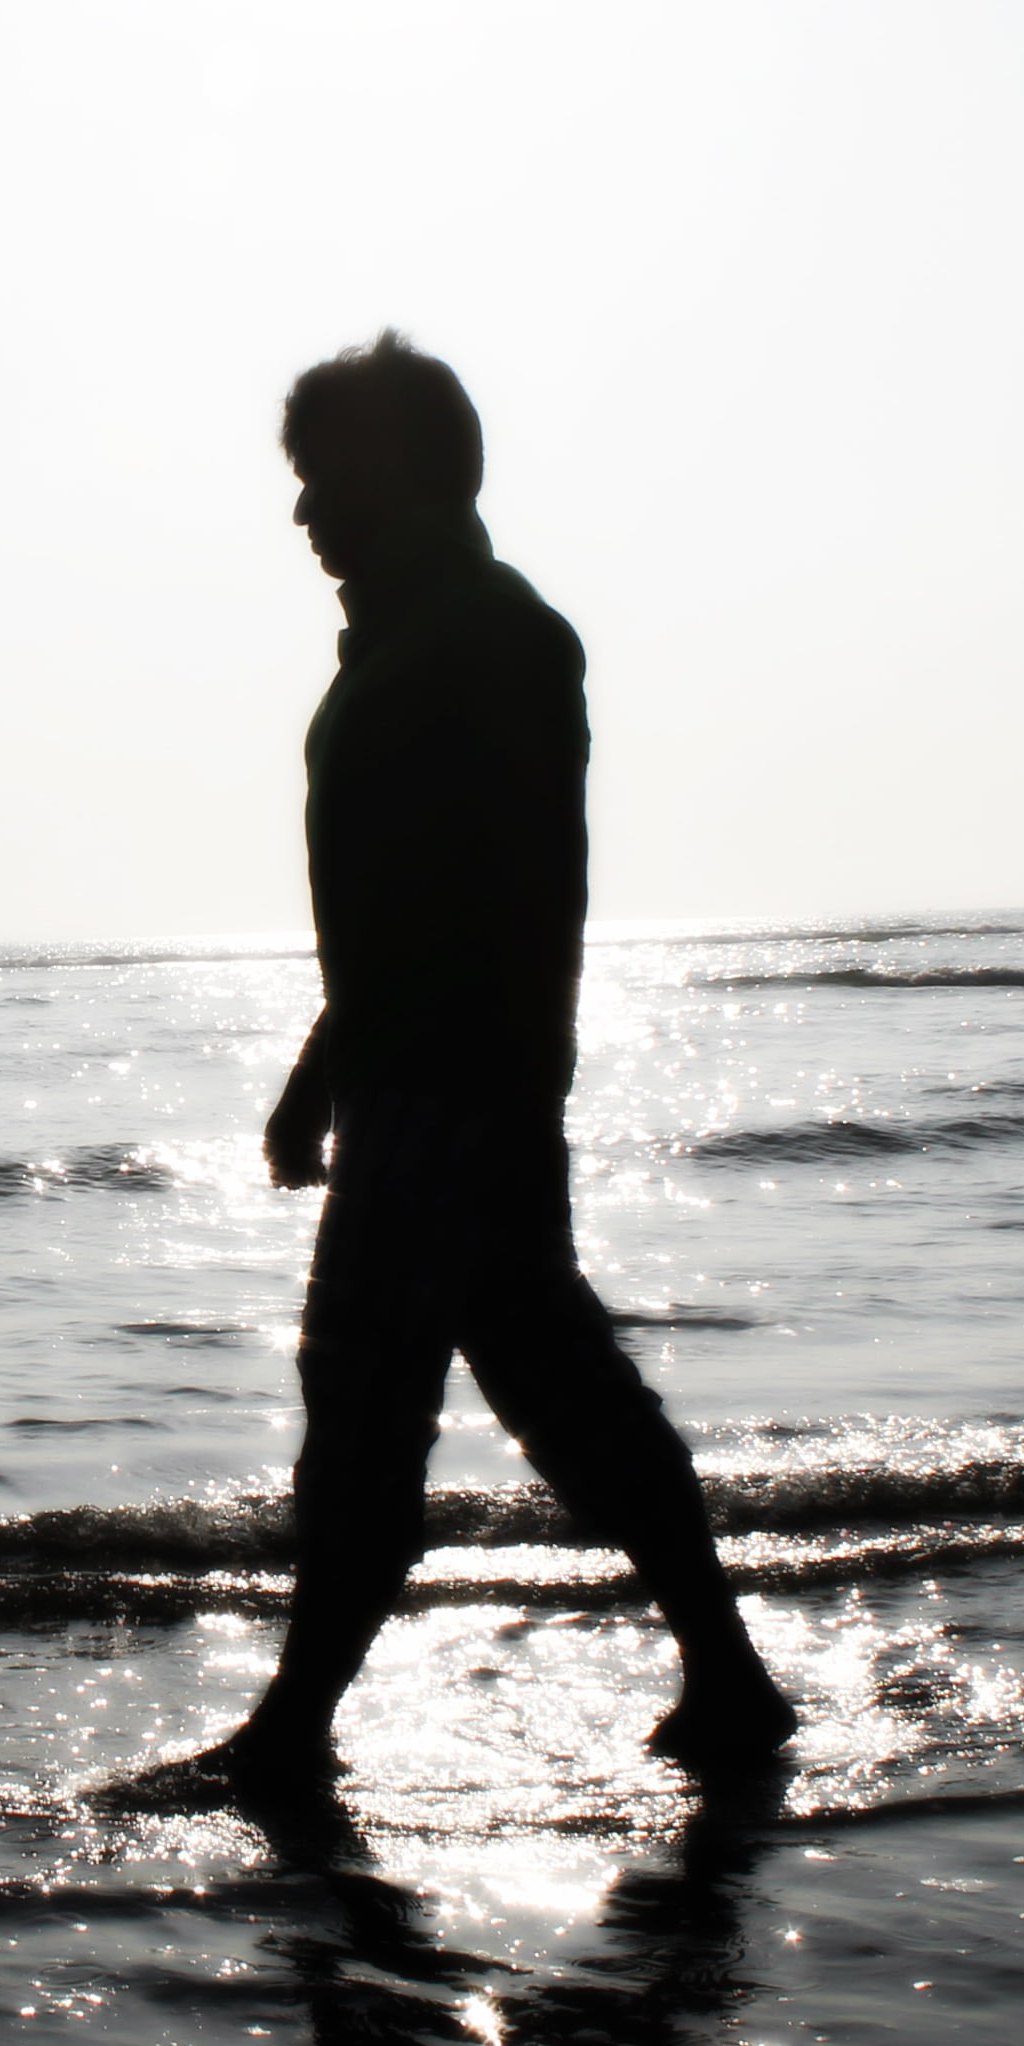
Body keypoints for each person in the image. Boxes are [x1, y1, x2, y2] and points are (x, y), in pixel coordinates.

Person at [152, 331, 796, 1796]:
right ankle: (728, 1676)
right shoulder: (406, 642)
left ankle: (292, 1732)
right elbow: (399, 901)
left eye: (328, 477)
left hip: (454, 1087)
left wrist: (425, 1085)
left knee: (366, 1393)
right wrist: (326, 1070)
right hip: (435, 1081)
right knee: (561, 1391)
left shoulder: (489, 638)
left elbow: (492, 894)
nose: (306, 510)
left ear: (412, 470)